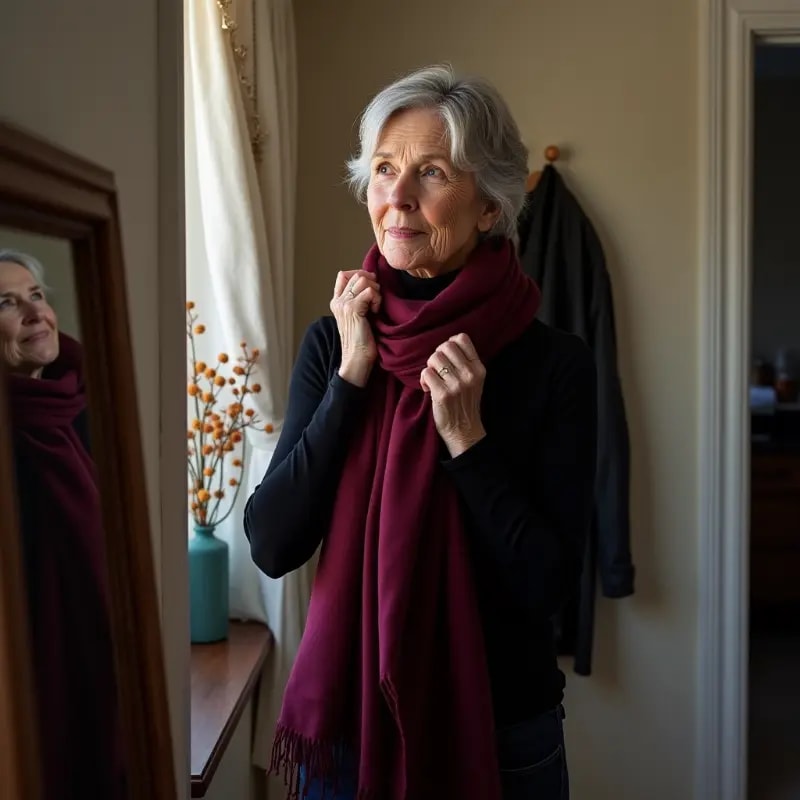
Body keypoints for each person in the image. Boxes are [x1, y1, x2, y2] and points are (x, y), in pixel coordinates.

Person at [244, 65, 597, 800]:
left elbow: (551, 587)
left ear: (491, 206)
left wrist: (469, 442)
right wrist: (350, 380)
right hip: (350, 730)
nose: (395, 199)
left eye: (430, 172)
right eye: (382, 170)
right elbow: (274, 545)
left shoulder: (554, 364)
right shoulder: (334, 341)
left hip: (503, 738)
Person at [0, 249, 125, 799]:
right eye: (6, 302)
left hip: (112, 664)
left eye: (37, 295)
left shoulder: (94, 398)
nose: (34, 313)